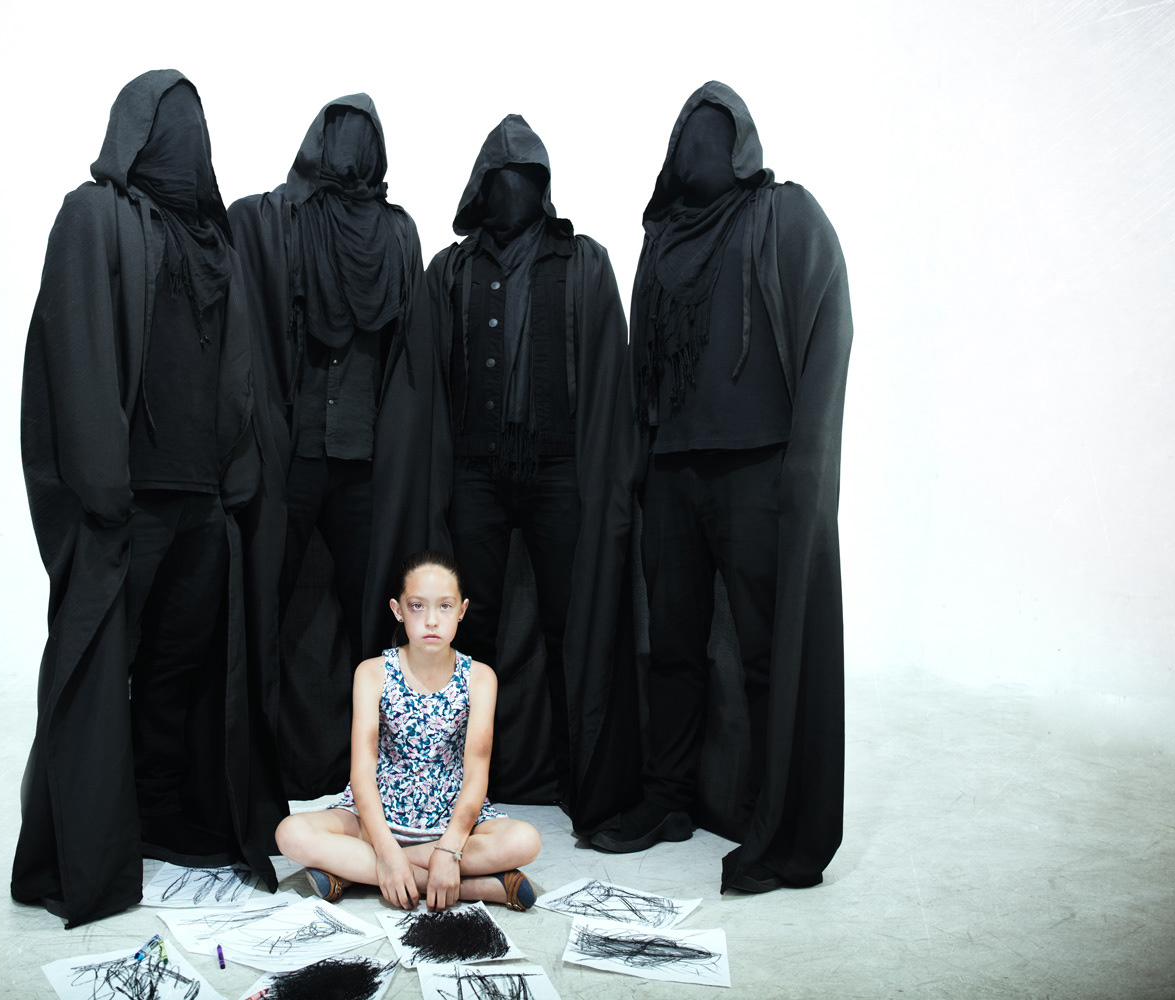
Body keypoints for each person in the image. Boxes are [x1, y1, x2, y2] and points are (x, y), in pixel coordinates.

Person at [12, 69, 282, 928]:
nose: (188, 140)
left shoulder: (214, 239)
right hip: (128, 499)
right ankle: (80, 850)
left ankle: (163, 814)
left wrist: (236, 478)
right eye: (172, 123)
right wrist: (102, 488)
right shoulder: (93, 216)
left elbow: (238, 367)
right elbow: (74, 351)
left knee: (177, 671)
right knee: (100, 671)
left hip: (202, 499)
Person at [591, 82, 852, 897]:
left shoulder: (783, 213)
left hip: (758, 467)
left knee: (769, 651)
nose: (698, 145)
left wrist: (806, 467)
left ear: (743, 142)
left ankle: (777, 817)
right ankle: (669, 797)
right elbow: (642, 361)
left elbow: (827, 329)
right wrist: (639, 464)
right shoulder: (662, 235)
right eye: (687, 133)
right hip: (673, 469)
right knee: (671, 646)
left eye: (715, 131)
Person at [366, 115, 643, 835]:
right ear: (479, 187)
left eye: (525, 178)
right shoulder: (451, 269)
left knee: (571, 621)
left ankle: (585, 782)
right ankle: (454, 790)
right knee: (468, 628)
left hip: (559, 469)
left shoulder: (582, 261)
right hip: (475, 474)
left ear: (544, 186)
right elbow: (425, 381)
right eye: (499, 178)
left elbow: (609, 371)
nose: (511, 190)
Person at [229, 95, 422, 799]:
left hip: (364, 460)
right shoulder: (281, 220)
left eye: (361, 137)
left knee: (380, 619)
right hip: (296, 456)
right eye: (337, 135)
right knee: (264, 608)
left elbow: (407, 351)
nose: (348, 151)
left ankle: (387, 774)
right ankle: (250, 769)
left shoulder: (396, 233)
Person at [274, 550, 541, 912]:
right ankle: (473, 886)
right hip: (376, 819)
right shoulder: (372, 672)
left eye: (444, 606)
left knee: (525, 840)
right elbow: (362, 772)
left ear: (462, 611)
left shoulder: (480, 677)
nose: (431, 620)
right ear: (397, 610)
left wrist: (449, 848)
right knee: (290, 833)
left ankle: (353, 874)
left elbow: (477, 773)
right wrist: (386, 851)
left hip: (450, 816)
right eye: (417, 606)